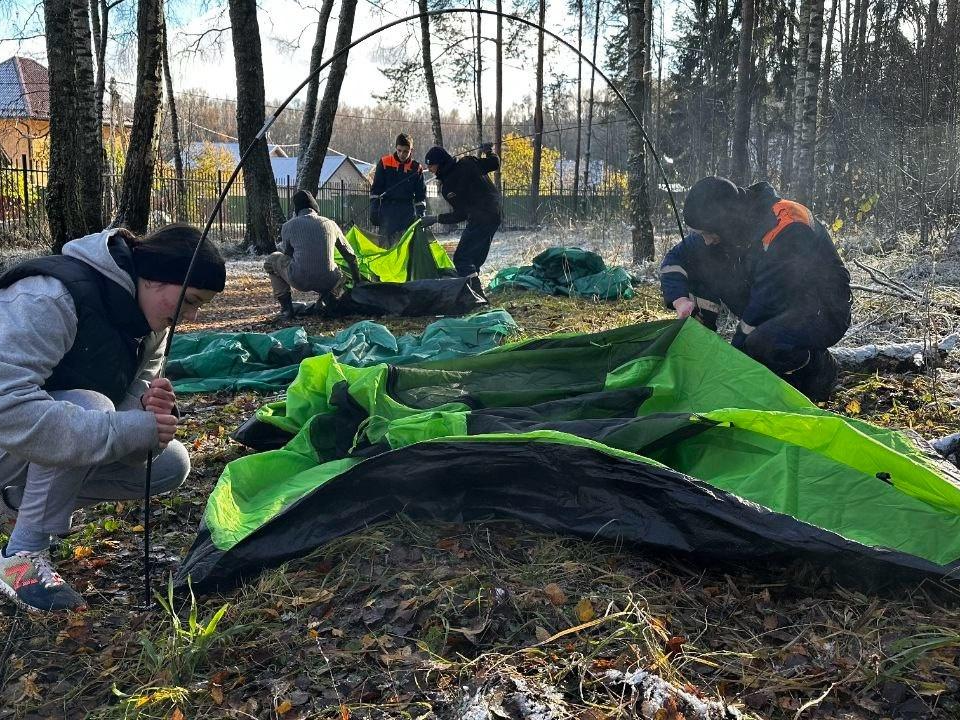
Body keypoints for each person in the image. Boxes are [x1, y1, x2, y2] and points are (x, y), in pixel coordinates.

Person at [0, 223, 226, 613]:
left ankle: (15, 505)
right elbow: (6, 408)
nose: (186, 318)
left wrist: (149, 417)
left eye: (197, 307)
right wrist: (130, 426)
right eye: (188, 301)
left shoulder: (148, 327)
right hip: (9, 434)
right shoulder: (50, 297)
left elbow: (129, 414)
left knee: (170, 462)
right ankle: (21, 558)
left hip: (21, 456)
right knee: (92, 408)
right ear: (156, 279)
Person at [660, 176, 852, 401]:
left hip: (822, 310)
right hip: (775, 299)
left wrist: (731, 371)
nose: (707, 240)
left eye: (708, 234)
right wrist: (680, 300)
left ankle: (818, 372)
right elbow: (675, 258)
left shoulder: (786, 226)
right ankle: (705, 349)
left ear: (724, 223)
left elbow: (763, 307)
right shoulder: (730, 226)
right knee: (702, 264)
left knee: (762, 343)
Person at [265, 189, 362, 320]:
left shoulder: (288, 226)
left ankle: (286, 309)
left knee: (272, 260)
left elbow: (287, 255)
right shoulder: (330, 224)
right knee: (338, 270)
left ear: (296, 210)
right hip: (329, 281)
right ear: (316, 208)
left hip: (299, 279)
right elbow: (351, 256)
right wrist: (357, 282)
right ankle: (329, 301)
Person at [421, 144, 502, 277]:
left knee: (462, 259)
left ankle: (473, 294)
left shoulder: (448, 187)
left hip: (479, 219)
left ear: (440, 163)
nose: (429, 169)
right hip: (495, 214)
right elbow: (494, 163)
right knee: (474, 260)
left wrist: (435, 219)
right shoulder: (468, 162)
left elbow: (461, 214)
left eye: (431, 165)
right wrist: (488, 151)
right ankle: (476, 291)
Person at [369, 133, 427, 246]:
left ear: (411, 150)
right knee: (385, 247)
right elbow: (376, 190)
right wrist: (374, 209)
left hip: (407, 213)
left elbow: (420, 195)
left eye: (405, 151)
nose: (402, 154)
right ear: (396, 148)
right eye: (399, 150)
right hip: (387, 211)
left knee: (405, 247)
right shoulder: (384, 162)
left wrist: (421, 215)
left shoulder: (416, 168)